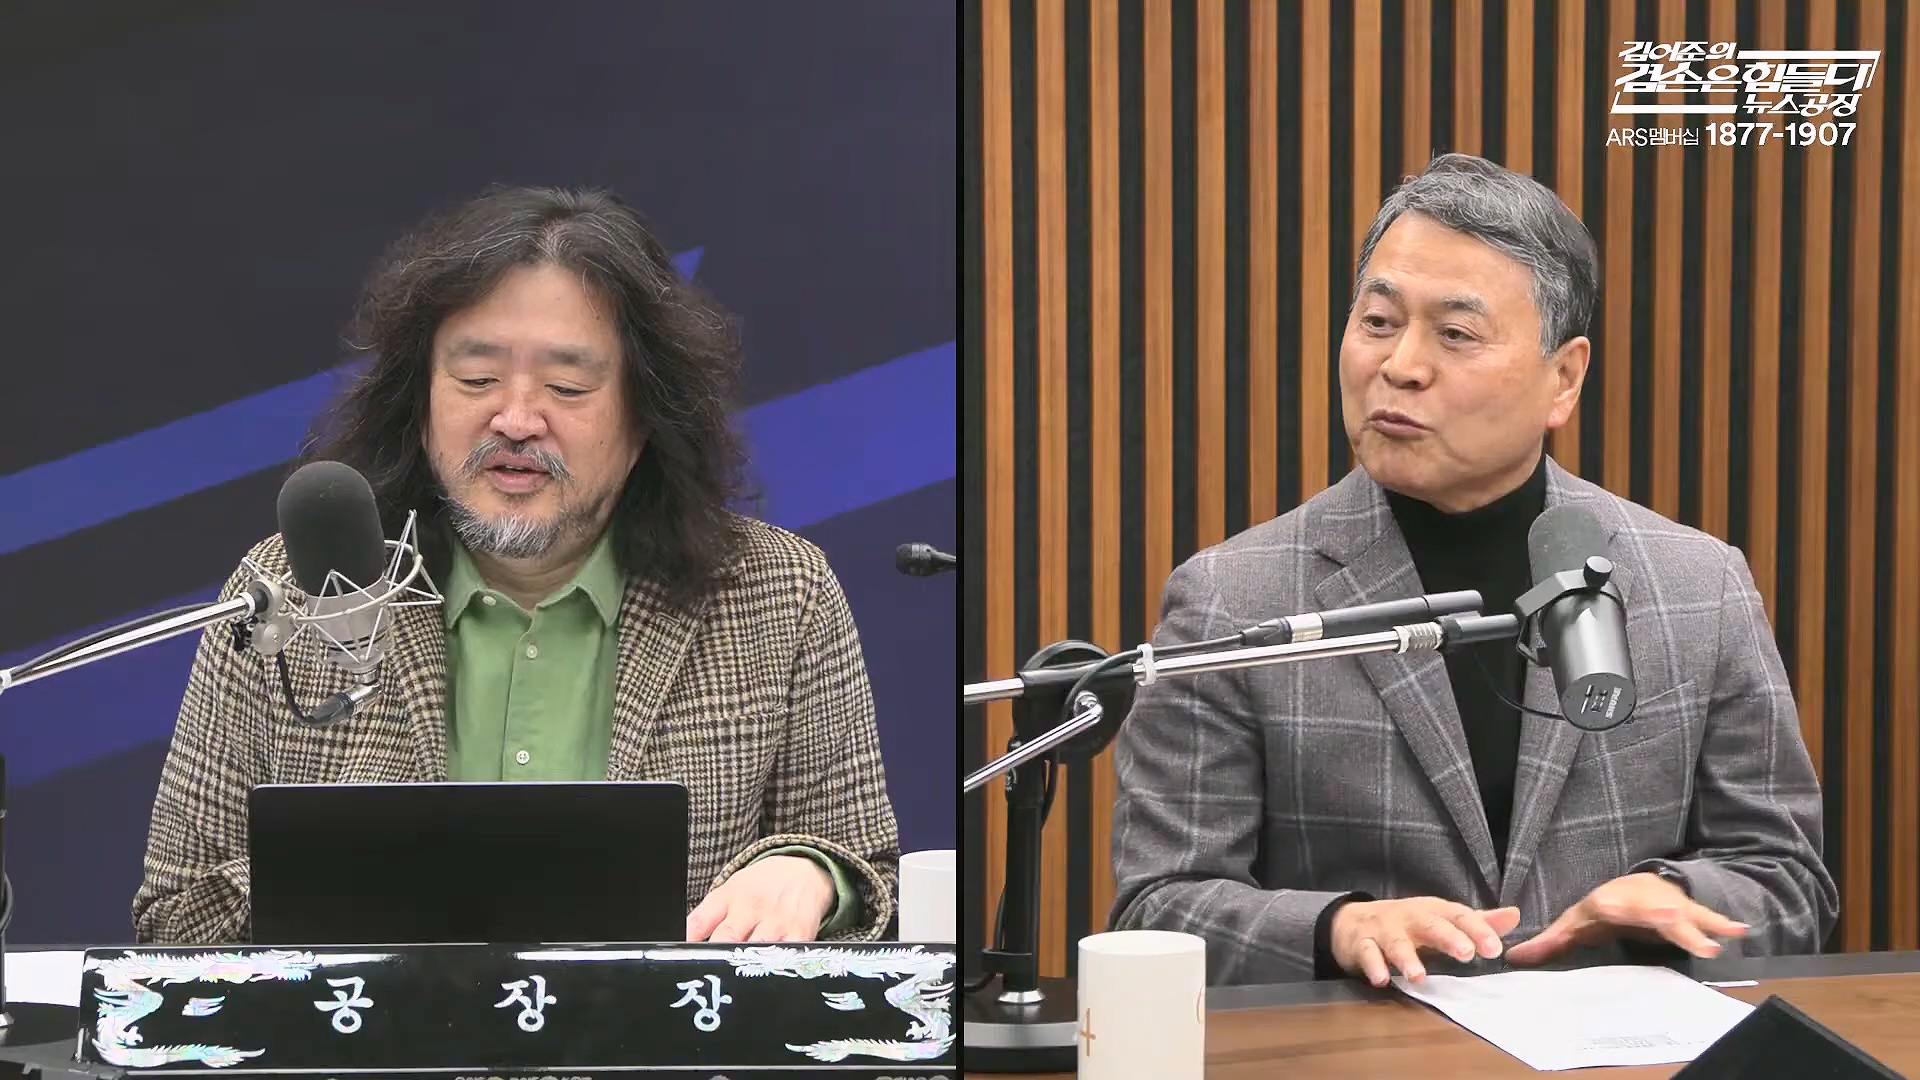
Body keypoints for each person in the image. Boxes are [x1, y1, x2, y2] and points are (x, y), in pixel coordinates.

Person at [1109, 154, 1836, 987]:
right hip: (1367, 1044)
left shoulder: (1697, 585)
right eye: (1378, 321)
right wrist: (1336, 927)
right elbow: (1157, 905)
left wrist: (1673, 897)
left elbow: (1788, 880)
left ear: (1564, 378)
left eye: (1455, 334)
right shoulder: (1234, 598)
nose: (1401, 365)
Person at [133, 185, 899, 945]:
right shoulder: (289, 593)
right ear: (419, 403)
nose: (517, 420)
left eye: (567, 387)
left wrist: (809, 874)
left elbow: (870, 878)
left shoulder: (777, 592)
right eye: (476, 380)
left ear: (644, 419)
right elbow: (173, 917)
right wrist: (339, 873)